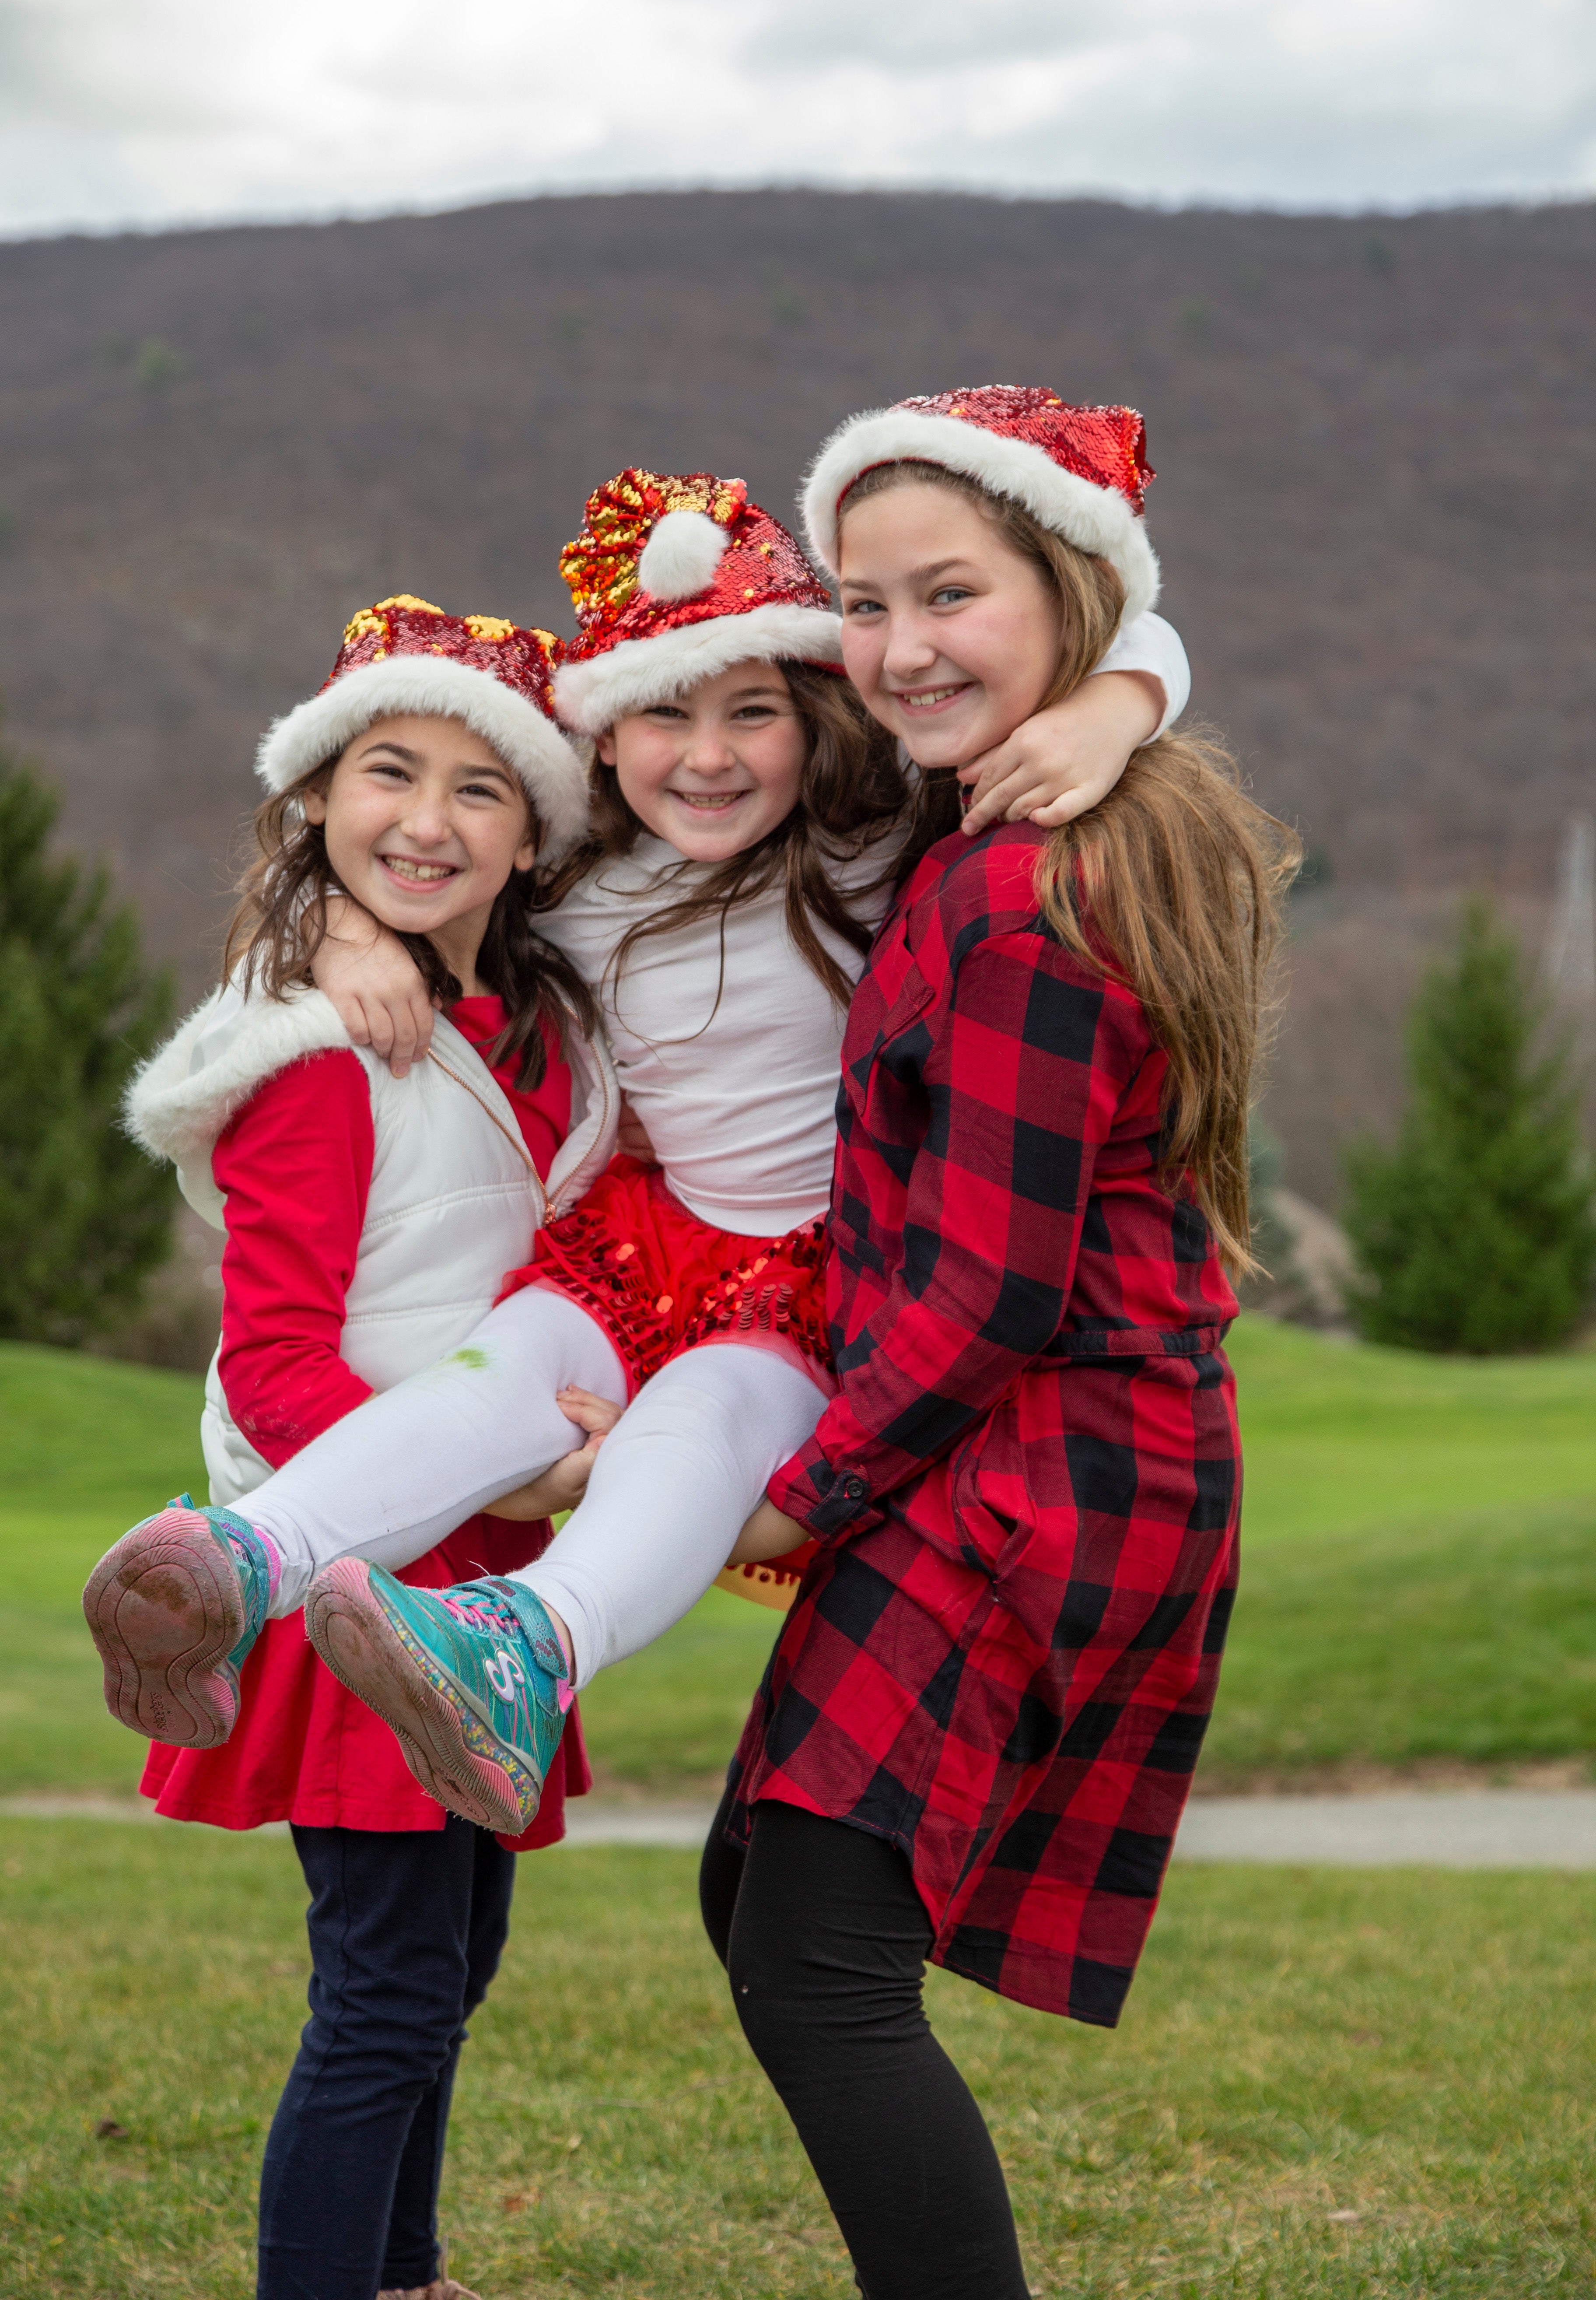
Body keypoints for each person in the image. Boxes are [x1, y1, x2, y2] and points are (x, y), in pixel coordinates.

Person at [94, 464, 1192, 1846]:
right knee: (498, 1374)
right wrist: (331, 927)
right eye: (664, 713)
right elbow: (398, 853)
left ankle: (534, 1644)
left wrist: (1117, 703)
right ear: (602, 741)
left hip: (796, 1288)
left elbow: (1131, 625)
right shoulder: (577, 892)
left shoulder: (870, 852)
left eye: (753, 712)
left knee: (699, 1419)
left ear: (816, 717)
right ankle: (242, 1562)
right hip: (628, 1249)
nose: (708, 756)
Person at [696, 385, 1302, 2300]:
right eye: (864, 605)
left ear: (1066, 593)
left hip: (1043, 1471)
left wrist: (792, 1500)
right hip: (1021, 1452)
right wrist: (1128, 689)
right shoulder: (1007, 810)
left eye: (949, 594)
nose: (898, 650)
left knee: (815, 1958)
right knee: (765, 1897)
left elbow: (990, 1295)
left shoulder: (1034, 899)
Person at [87, 596, 617, 2300]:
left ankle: (405, 2270)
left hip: (481, 1582)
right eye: (391, 771)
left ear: (533, 836)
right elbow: (277, 1363)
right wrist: (495, 1477)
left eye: (482, 787)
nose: (429, 820)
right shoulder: (317, 1056)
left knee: (450, 1965)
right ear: (315, 795)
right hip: (363, 1572)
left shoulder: (526, 1027)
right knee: (386, 1990)